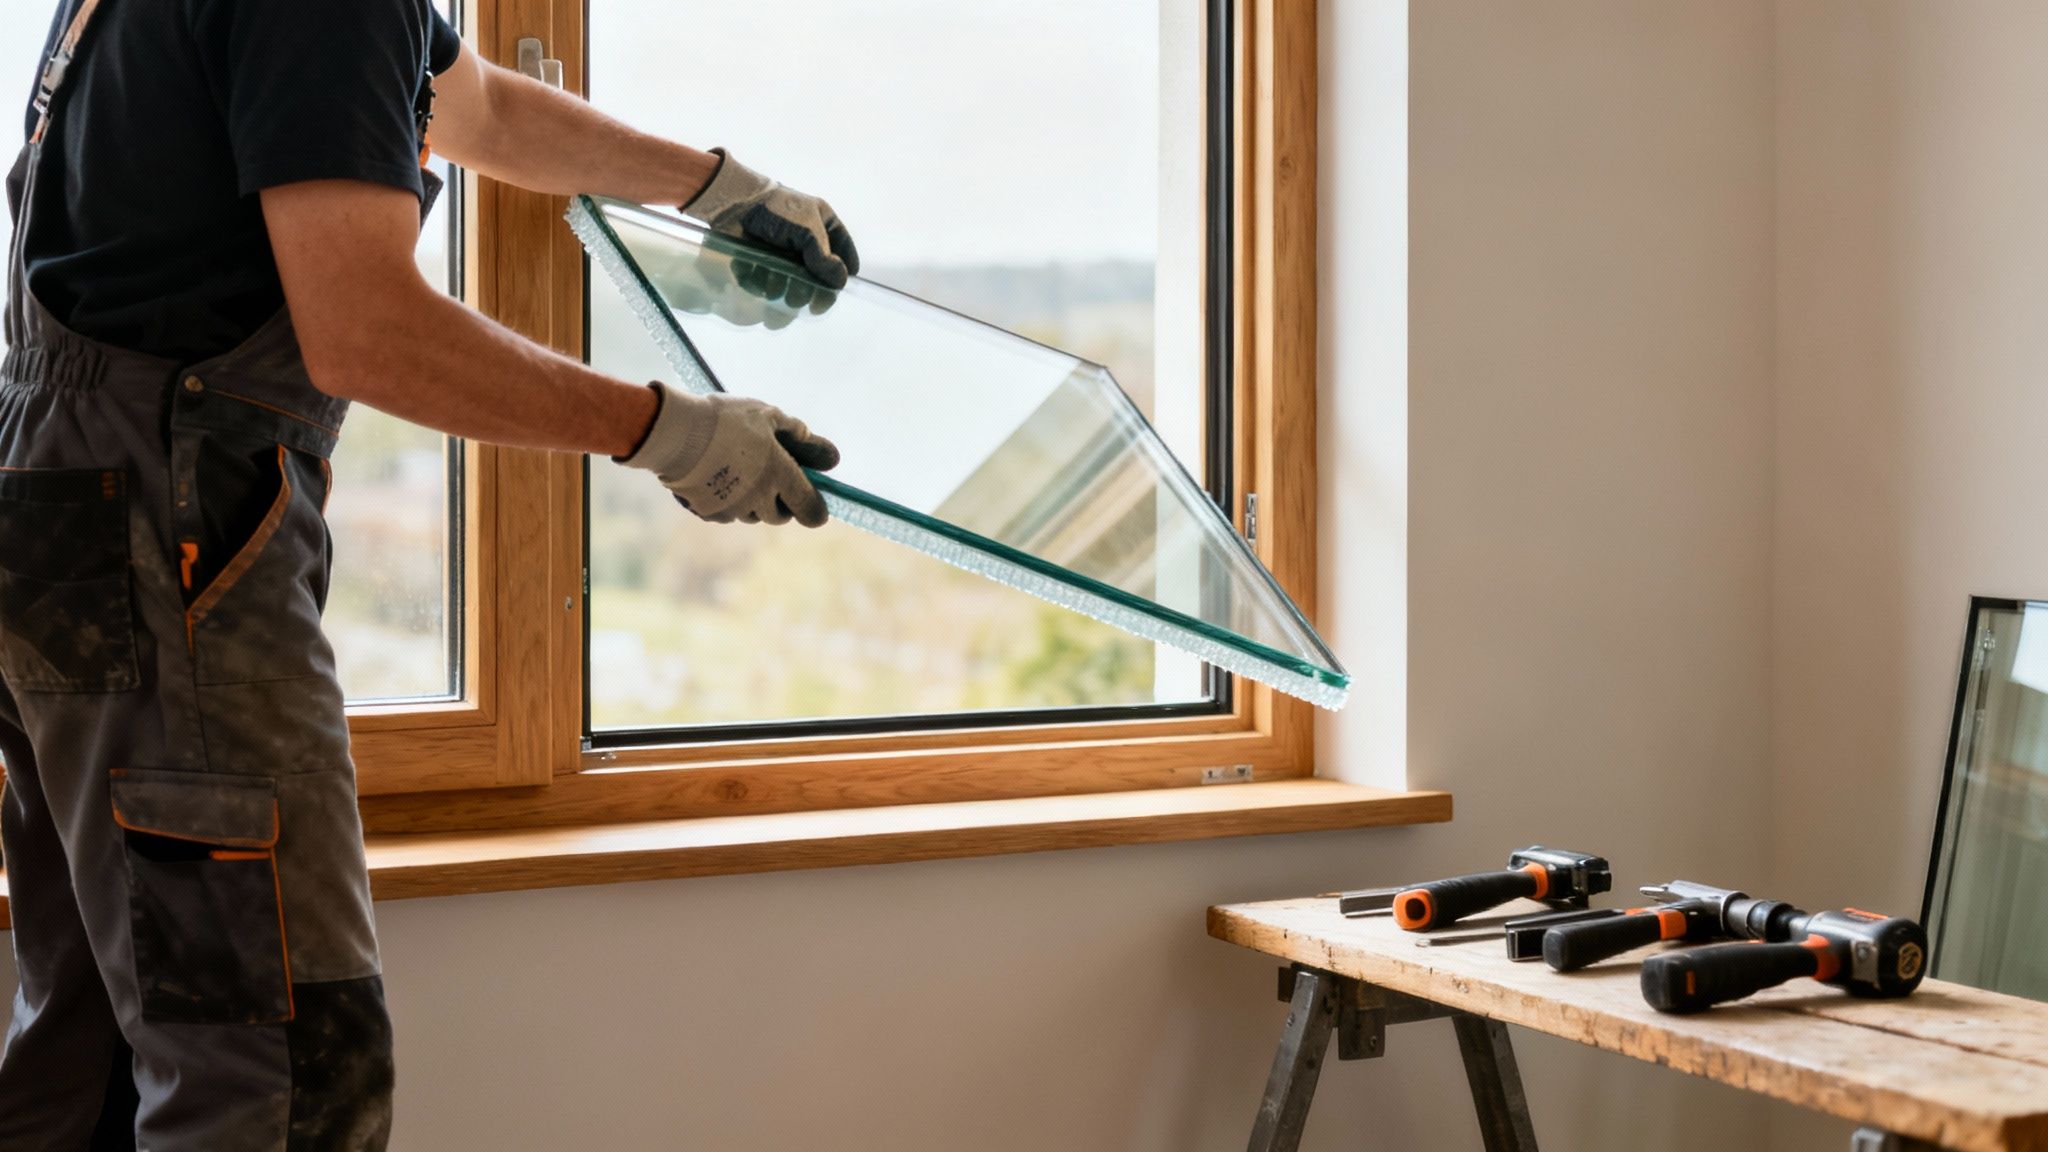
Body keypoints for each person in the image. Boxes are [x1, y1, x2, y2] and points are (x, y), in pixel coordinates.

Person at [0, 0, 854, 1146]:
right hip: (169, 526)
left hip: (57, 504)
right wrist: (669, 432)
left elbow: (474, 105)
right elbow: (362, 326)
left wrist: (708, 184)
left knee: (100, 1039)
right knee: (279, 1073)